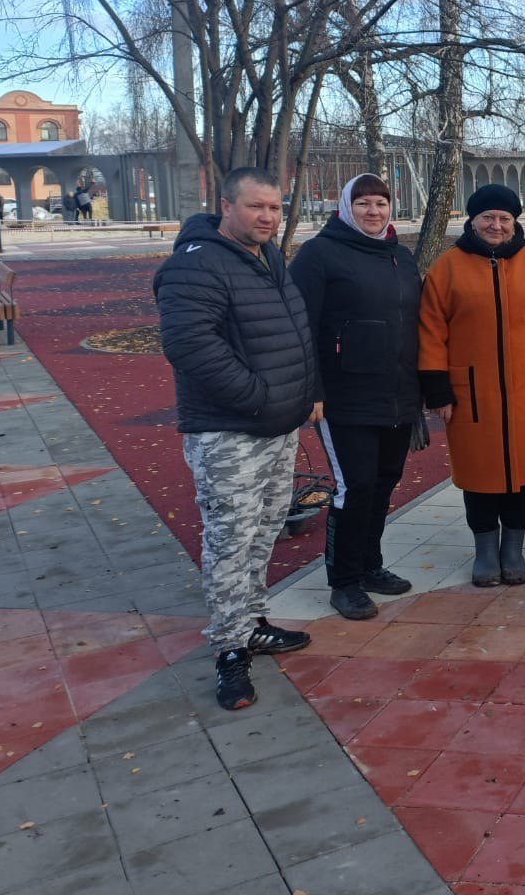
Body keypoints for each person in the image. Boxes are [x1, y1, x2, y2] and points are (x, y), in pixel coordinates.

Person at [154, 167, 318, 711]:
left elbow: (294, 330)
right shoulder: (195, 265)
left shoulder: (268, 256)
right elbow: (190, 347)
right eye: (256, 207)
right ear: (225, 205)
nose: (268, 217)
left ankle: (250, 622)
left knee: (266, 526)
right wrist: (257, 396)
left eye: (275, 207)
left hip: (277, 425)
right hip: (228, 430)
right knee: (230, 537)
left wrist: (304, 392)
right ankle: (229, 649)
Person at [418, 184, 525, 588]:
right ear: (471, 220)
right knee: (479, 475)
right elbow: (431, 332)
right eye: (488, 217)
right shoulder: (447, 269)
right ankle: (485, 550)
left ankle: (513, 549)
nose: (496, 224)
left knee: (520, 474)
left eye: (505, 218)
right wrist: (437, 390)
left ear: (514, 222)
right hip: (471, 394)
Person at [289, 173, 421, 621]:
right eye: (363, 203)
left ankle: (370, 566)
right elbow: (298, 326)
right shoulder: (319, 254)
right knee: (355, 487)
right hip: (343, 398)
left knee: (383, 485)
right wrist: (312, 390)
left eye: (381, 203)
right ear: (346, 206)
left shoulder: (399, 256)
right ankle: (343, 582)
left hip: (397, 396)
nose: (373, 211)